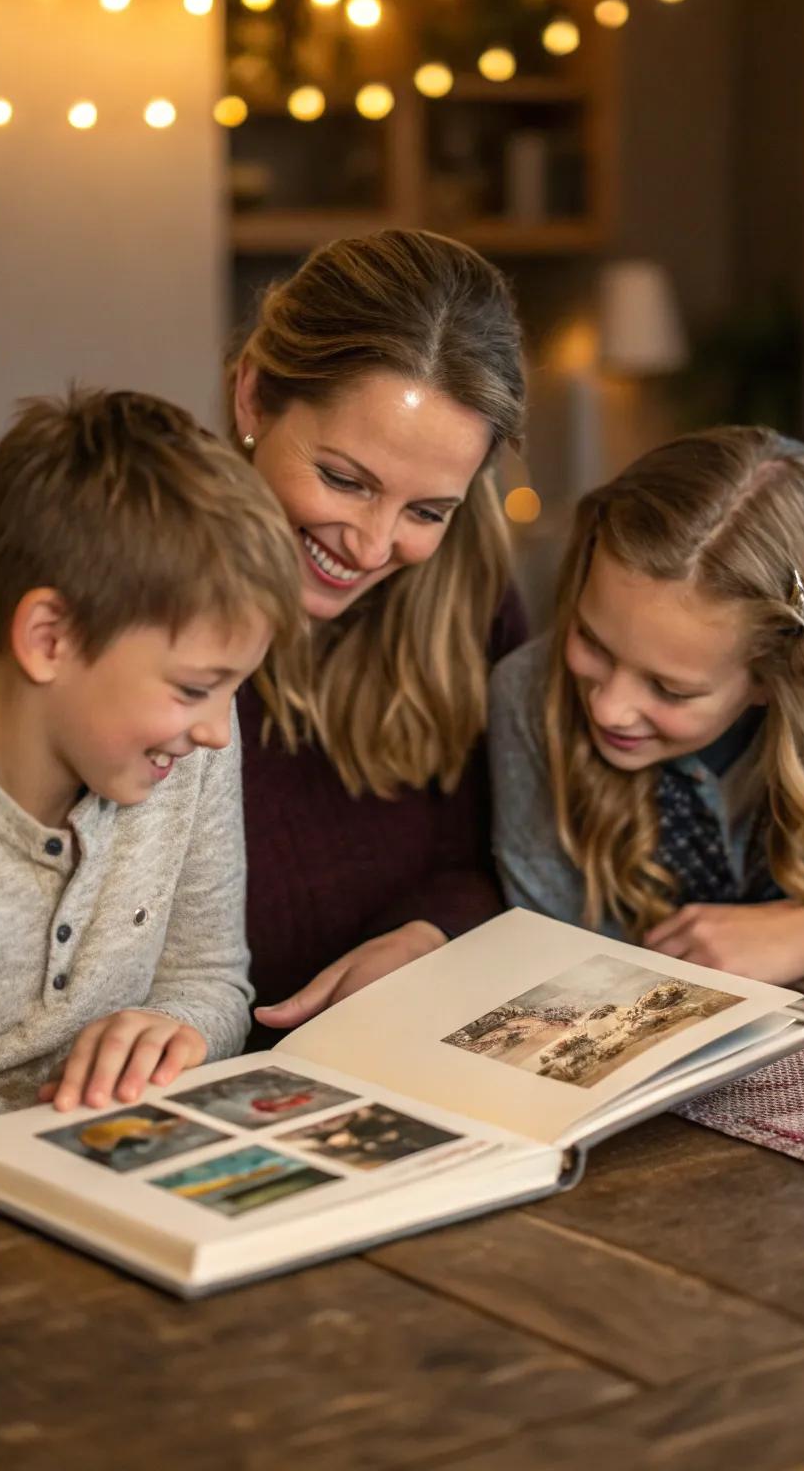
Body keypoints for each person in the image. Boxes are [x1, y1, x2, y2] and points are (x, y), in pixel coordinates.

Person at [0, 388, 300, 1131]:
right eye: (195, 687)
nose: (220, 732)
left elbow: (211, 979)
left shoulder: (183, 757)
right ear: (50, 639)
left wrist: (174, 1029)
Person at [489, 426, 804, 985]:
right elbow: (551, 963)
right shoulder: (525, 693)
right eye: (591, 640)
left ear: (773, 677)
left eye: (670, 689)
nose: (609, 708)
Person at [230, 229, 527, 1032]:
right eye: (342, 480)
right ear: (254, 395)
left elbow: (513, 859)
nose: (367, 547)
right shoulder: (140, 591)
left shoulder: (469, 593)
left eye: (426, 511)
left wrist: (431, 936)